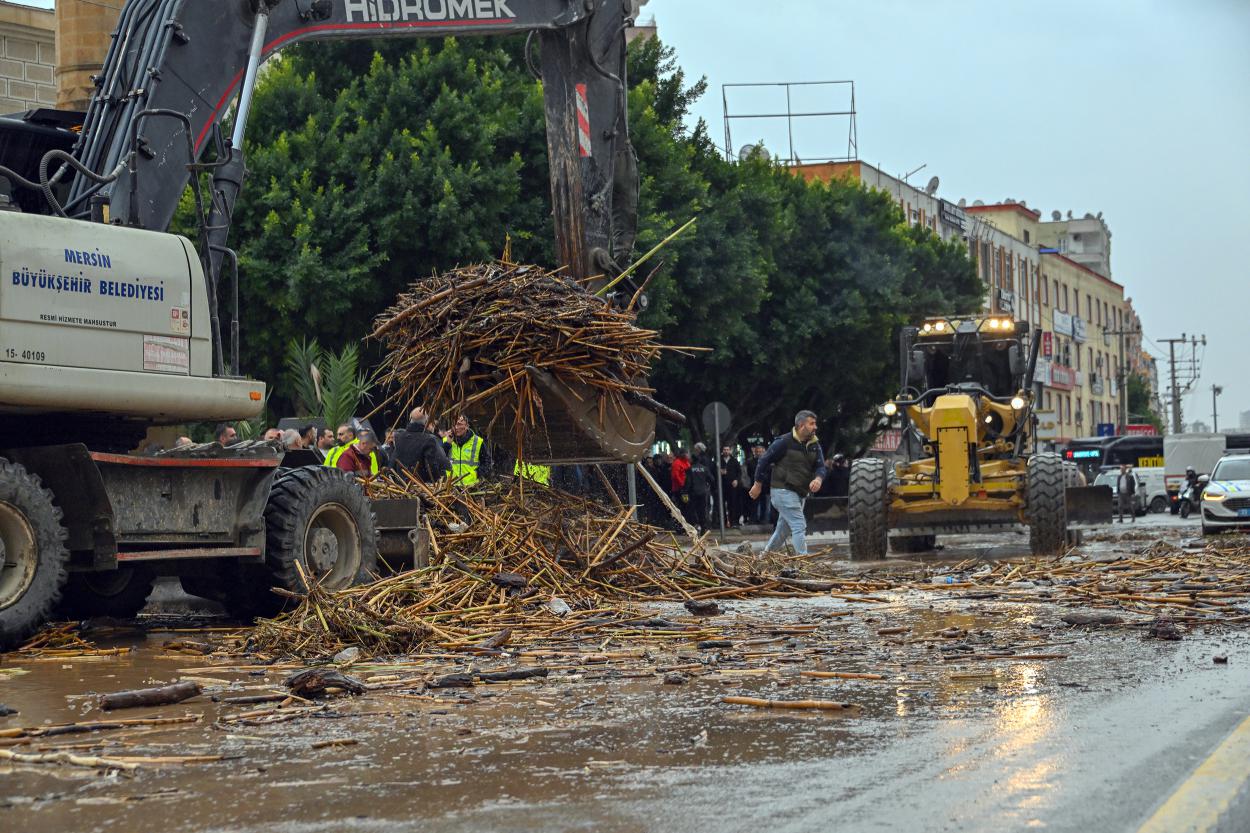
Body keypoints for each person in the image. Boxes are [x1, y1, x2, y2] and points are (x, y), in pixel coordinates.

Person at [748, 410, 827, 556]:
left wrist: (818, 479)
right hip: (782, 491)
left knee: (783, 531)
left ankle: (764, 558)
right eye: (812, 423)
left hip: (800, 493)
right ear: (801, 425)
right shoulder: (784, 441)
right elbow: (764, 460)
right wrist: (757, 484)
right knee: (799, 525)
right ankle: (802, 561)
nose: (815, 427)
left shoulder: (815, 444)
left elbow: (821, 466)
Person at [393, 406, 451, 482]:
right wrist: (438, 480)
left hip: (401, 486)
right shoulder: (428, 440)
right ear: (426, 422)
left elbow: (393, 462)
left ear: (411, 420)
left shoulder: (399, 438)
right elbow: (431, 467)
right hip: (421, 488)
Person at [446, 415, 492, 487]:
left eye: (459, 424)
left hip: (471, 488)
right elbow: (438, 462)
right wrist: (447, 444)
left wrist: (477, 473)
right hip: (450, 489)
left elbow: (488, 462)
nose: (456, 427)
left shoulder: (477, 442)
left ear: (467, 426)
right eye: (454, 424)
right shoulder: (446, 441)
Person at [684, 445, 715, 533]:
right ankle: (703, 528)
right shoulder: (704, 469)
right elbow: (712, 479)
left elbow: (688, 482)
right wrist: (707, 485)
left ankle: (695, 526)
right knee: (702, 510)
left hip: (693, 493)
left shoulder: (690, 469)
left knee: (693, 510)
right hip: (703, 492)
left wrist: (684, 492)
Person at [719, 445, 743, 528]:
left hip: (732, 486)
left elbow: (739, 472)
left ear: (730, 451)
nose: (726, 451)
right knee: (721, 504)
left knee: (732, 504)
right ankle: (723, 522)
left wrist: (736, 480)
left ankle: (733, 522)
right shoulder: (719, 460)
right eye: (724, 449)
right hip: (721, 486)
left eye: (727, 450)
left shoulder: (734, 461)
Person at [745, 445, 769, 524]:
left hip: (765, 485)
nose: (759, 453)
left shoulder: (767, 461)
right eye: (757, 452)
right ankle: (753, 519)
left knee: (764, 503)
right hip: (754, 484)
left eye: (761, 452)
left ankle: (763, 519)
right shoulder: (750, 462)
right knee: (754, 503)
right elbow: (749, 473)